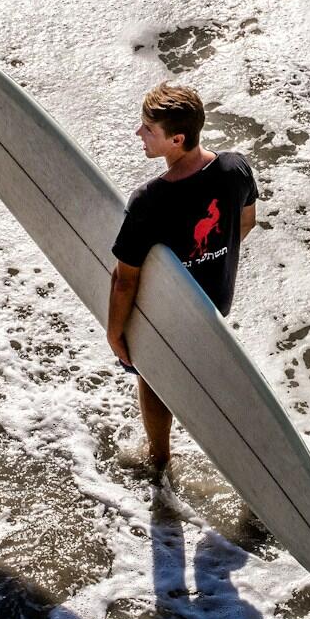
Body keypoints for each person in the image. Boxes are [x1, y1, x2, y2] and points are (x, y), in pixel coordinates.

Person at [105, 83, 260, 473]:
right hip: (214, 301)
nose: (139, 134)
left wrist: (114, 333)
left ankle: (159, 457)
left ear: (177, 138)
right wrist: (210, 255)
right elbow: (248, 220)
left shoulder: (150, 201)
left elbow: (124, 280)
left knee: (153, 377)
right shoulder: (235, 167)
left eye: (148, 130)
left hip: (168, 311)